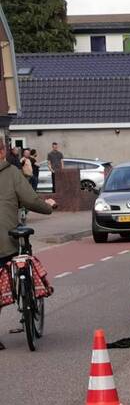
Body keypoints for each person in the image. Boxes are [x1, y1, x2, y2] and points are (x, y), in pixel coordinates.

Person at [1, 139, 57, 350]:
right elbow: (30, 200)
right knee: (16, 261)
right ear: (2, 152)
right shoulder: (11, 173)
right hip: (6, 241)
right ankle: (29, 293)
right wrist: (48, 207)